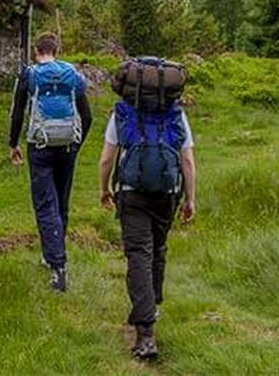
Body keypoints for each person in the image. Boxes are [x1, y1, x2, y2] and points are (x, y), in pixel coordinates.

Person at [97, 75, 196, 361]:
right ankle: (152, 305)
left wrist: (104, 189)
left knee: (138, 253)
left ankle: (145, 333)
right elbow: (187, 160)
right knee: (158, 249)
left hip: (132, 193)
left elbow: (106, 159)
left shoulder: (123, 111)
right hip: (167, 193)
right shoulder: (176, 113)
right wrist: (190, 199)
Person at [8, 32, 92, 292]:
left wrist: (13, 144)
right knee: (61, 201)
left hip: (40, 145)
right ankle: (54, 253)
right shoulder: (72, 75)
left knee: (45, 204)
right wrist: (77, 145)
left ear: (37, 50)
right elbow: (87, 116)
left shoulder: (30, 75)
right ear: (57, 50)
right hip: (67, 145)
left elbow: (17, 113)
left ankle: (57, 266)